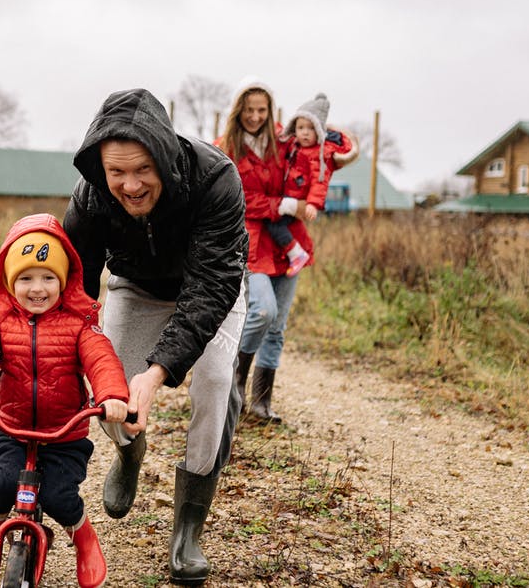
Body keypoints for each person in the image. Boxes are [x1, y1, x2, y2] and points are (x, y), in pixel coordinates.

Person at [63, 88, 248, 585]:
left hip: (210, 289)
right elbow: (75, 285)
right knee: (111, 384)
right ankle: (128, 454)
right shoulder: (92, 194)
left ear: (164, 156)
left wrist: (159, 370)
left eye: (142, 169)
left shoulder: (216, 180)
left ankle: (188, 529)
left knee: (212, 381)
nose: (130, 185)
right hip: (136, 287)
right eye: (116, 172)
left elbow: (212, 287)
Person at [0, 213, 130, 588]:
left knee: (61, 497)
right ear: (11, 284)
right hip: (11, 428)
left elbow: (102, 359)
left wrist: (111, 396)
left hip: (65, 433)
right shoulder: (0, 321)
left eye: (48, 277)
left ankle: (84, 539)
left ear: (63, 281)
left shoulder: (79, 324)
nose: (37, 288)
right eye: (25, 278)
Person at [225, 83, 357, 423]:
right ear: (238, 110)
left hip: (290, 243)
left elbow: (323, 149)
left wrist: (344, 148)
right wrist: (285, 203)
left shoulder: (284, 141)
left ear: (271, 112)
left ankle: (261, 401)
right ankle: (235, 381)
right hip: (253, 243)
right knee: (262, 311)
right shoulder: (226, 149)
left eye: (262, 110)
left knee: (278, 325)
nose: (255, 117)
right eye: (249, 109)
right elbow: (238, 200)